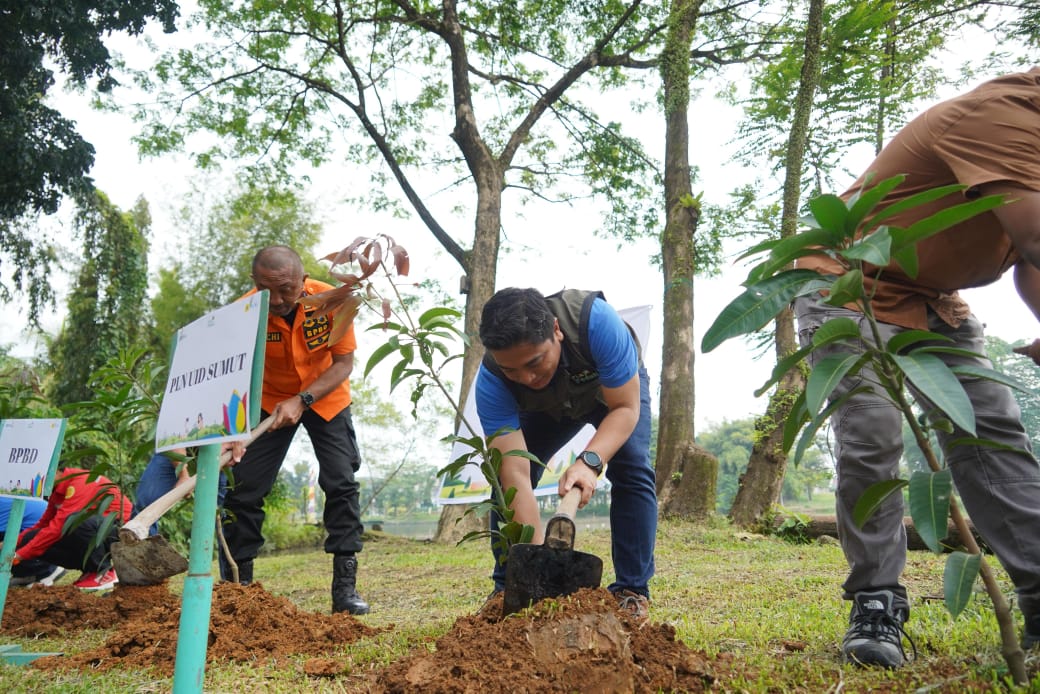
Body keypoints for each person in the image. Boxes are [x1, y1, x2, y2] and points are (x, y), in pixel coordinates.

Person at [794, 67, 1040, 668]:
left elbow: (1020, 261)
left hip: (935, 299)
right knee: (872, 439)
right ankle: (875, 601)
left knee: (992, 432)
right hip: (847, 286)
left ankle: (1039, 592)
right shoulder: (1003, 115)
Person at [476, 287, 657, 620]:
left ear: (556, 331)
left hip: (612, 396)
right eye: (512, 371)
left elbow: (626, 408)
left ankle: (632, 590)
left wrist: (589, 462)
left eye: (534, 362)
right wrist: (536, 564)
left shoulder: (597, 323)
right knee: (505, 487)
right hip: (547, 407)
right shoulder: (491, 382)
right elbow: (515, 473)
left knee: (632, 468)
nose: (526, 377)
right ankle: (507, 587)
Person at [219, 245, 369, 615]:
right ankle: (239, 591)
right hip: (268, 401)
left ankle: (345, 590)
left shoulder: (333, 301)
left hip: (326, 395)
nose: (277, 299)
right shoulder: (244, 314)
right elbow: (231, 376)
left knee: (340, 481)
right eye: (266, 289)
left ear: (303, 280)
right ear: (255, 283)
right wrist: (234, 428)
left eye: (286, 288)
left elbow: (344, 364)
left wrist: (302, 400)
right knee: (244, 488)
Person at [10, 468, 133, 591]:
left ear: (56, 471)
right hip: (93, 530)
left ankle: (102, 572)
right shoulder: (56, 492)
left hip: (119, 530)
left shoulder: (81, 481)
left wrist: (20, 555)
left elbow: (59, 526)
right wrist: (11, 544)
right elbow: (43, 525)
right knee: (30, 537)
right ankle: (88, 570)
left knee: (74, 520)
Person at [1, 495, 66, 586]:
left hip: (45, 528)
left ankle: (44, 570)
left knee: (6, 544)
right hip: (42, 522)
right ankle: (25, 574)